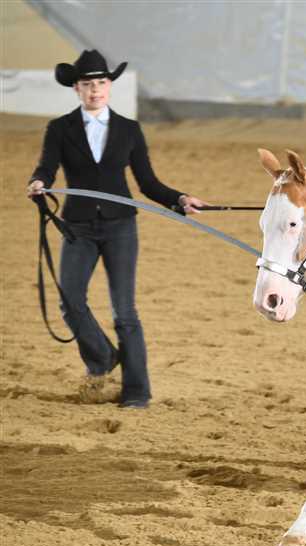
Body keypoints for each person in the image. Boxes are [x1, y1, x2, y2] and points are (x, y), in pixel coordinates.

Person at [26, 49, 207, 409]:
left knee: (125, 312)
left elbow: (147, 182)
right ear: (76, 88)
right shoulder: (60, 128)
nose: (95, 90)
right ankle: (103, 358)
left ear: (109, 86)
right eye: (87, 84)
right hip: (78, 226)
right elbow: (47, 167)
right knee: (70, 301)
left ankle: (137, 392)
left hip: (121, 227)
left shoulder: (129, 130)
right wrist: (38, 181)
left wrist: (179, 199)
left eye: (101, 83)